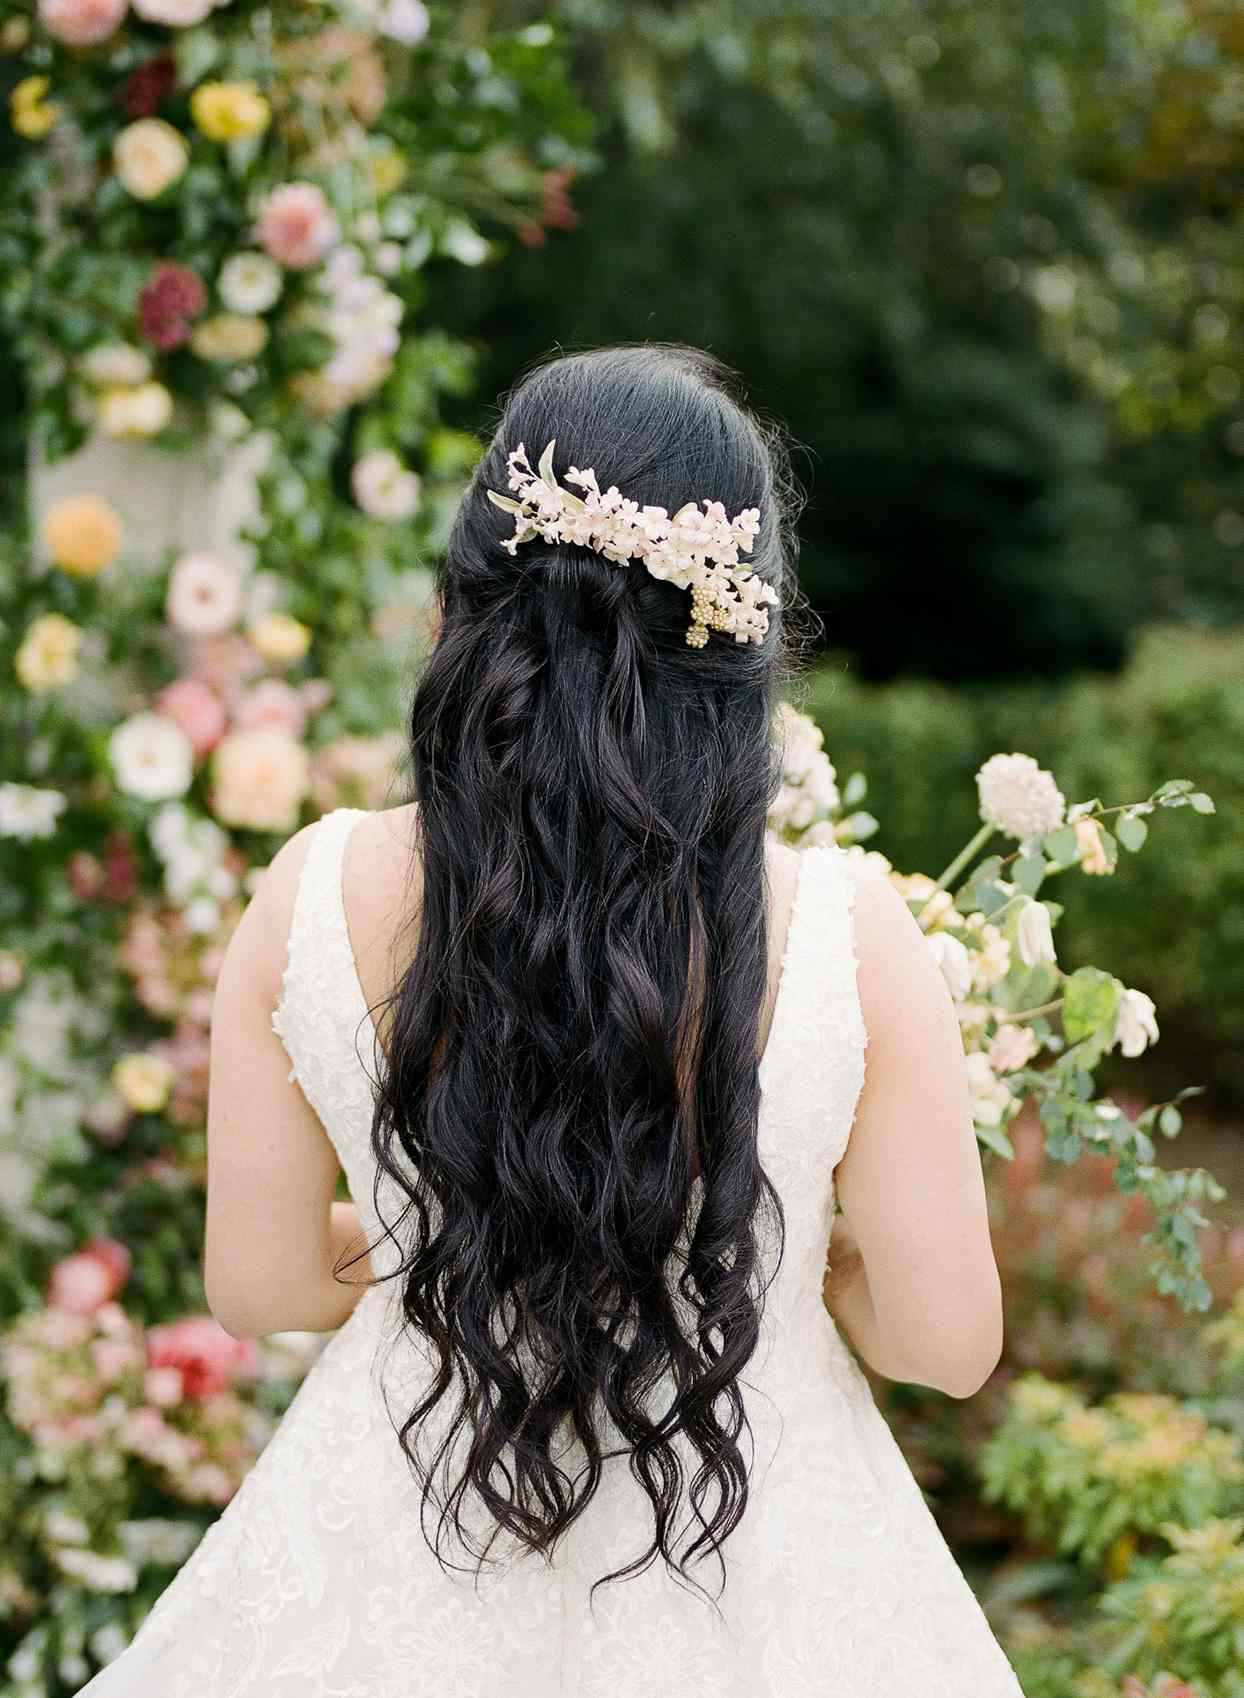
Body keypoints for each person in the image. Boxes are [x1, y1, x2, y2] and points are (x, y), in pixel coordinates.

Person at [78, 342, 1021, 1695]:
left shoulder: (310, 892)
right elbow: (946, 1340)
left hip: (402, 1552)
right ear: (744, 639)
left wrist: (447, 1232)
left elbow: (258, 1282)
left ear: (461, 598)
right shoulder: (852, 936)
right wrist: (770, 1254)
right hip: (755, 1555)